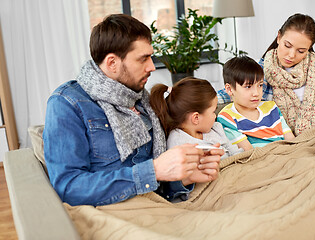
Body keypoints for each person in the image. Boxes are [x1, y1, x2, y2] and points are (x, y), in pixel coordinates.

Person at [43, 14, 223, 206]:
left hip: (161, 206)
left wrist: (185, 178)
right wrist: (153, 171)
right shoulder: (67, 104)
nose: (152, 66)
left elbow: (159, 185)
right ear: (112, 63)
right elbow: (69, 187)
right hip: (115, 216)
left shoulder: (142, 101)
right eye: (143, 58)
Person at [217, 13, 315, 143]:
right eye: (287, 45)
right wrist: (200, 100)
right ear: (279, 37)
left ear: (309, 48)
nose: (291, 55)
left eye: (301, 51)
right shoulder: (262, 69)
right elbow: (234, 89)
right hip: (287, 138)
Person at [149, 77, 243, 159]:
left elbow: (235, 152)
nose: (215, 116)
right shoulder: (178, 142)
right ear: (196, 118)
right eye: (213, 112)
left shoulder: (216, 128)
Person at [217, 56, 295, 151]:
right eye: (248, 86)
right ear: (229, 89)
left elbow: (291, 141)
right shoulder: (227, 117)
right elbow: (248, 151)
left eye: (260, 85)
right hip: (259, 159)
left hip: (287, 154)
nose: (256, 93)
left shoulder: (271, 107)